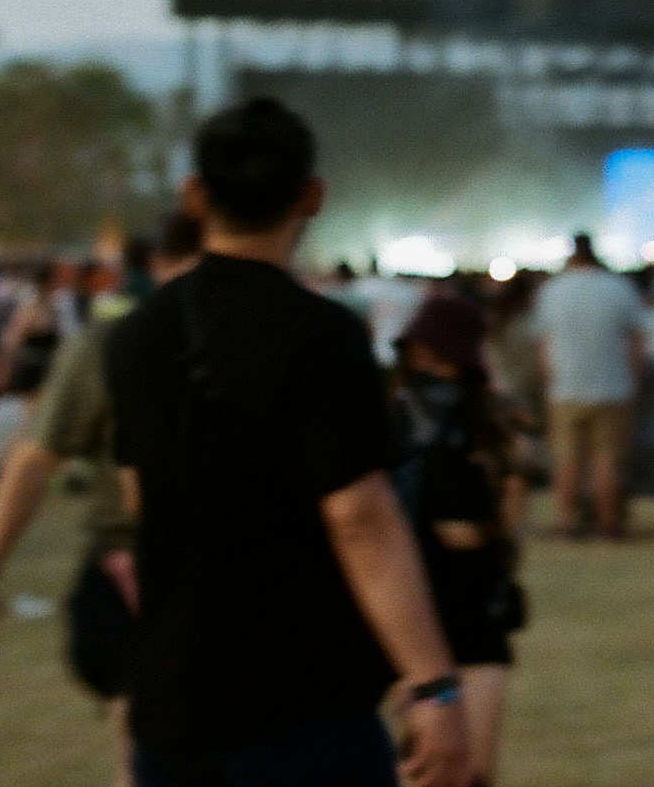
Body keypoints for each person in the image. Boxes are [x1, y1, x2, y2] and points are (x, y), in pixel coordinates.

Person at [106, 98, 469, 787]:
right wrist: (434, 685)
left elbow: (140, 499)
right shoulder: (322, 334)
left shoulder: (136, 335)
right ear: (312, 195)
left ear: (195, 194)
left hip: (171, 700)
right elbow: (360, 517)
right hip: (302, 704)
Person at [0, 213, 204, 787]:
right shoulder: (107, 349)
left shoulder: (109, 345)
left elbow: (30, 463)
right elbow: (32, 462)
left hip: (178, 582)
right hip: (141, 580)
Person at [389, 293, 529, 786]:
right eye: (422, 358)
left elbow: (499, 531)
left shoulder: (482, 426)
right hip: (432, 616)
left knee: (461, 771)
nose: (429, 371)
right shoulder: (403, 423)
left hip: (453, 614)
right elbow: (467, 532)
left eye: (438, 358)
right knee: (441, 768)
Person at [533, 233, 646, 541]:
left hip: (565, 388)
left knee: (566, 459)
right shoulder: (619, 288)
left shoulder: (553, 290)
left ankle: (566, 522)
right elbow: (637, 340)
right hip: (612, 386)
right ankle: (607, 524)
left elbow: (542, 343)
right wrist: (634, 379)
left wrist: (549, 378)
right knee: (607, 459)